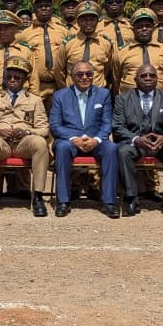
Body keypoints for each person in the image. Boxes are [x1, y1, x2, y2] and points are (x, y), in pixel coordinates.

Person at [113, 64, 163, 218]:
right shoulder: (122, 99)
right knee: (122, 152)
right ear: (135, 79)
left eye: (152, 75)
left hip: (160, 144)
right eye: (143, 76)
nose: (148, 78)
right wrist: (136, 139)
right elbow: (118, 126)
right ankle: (132, 199)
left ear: (157, 78)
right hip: (135, 143)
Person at [0, 57, 50, 217]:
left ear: (25, 80)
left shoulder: (35, 100)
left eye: (17, 77)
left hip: (23, 143)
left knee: (40, 143)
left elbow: (44, 129)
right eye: (9, 76)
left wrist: (28, 132)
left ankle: (38, 196)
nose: (12, 80)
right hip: (1, 142)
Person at [49, 61, 119, 218]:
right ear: (72, 77)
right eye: (80, 74)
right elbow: (55, 125)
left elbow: (107, 123)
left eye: (88, 74)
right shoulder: (60, 96)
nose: (85, 77)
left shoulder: (103, 94)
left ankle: (109, 202)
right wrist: (74, 138)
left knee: (112, 148)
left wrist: (97, 140)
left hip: (96, 140)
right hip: (70, 140)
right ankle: (63, 201)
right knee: (62, 148)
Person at [17, 0, 68, 112]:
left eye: (47, 5)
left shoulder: (63, 31)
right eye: (40, 5)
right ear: (34, 9)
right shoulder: (24, 34)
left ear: (52, 7)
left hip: (59, 86)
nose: (44, 8)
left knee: (57, 124)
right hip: (35, 88)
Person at [110, 8, 163, 93]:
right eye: (139, 26)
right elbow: (116, 79)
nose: (144, 29)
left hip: (158, 99)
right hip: (130, 100)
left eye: (148, 26)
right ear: (133, 29)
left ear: (153, 28)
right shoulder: (122, 52)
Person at [0, 10, 38, 98]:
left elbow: (34, 80)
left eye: (7, 28)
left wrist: (32, 102)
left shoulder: (25, 51)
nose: (2, 31)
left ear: (15, 29)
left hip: (21, 99)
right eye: (0, 28)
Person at [62, 1, 115, 89]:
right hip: (73, 92)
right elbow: (59, 70)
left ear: (97, 22)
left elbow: (107, 69)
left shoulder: (106, 43)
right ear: (78, 22)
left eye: (92, 19)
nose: (88, 23)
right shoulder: (68, 43)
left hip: (97, 92)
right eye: (84, 20)